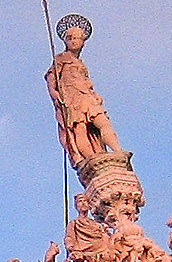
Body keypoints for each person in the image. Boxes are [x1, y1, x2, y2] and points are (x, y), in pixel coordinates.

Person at [46, 14, 122, 165]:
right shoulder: (60, 59)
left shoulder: (80, 64)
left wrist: (95, 95)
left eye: (76, 38)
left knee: (103, 123)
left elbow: (86, 82)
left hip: (86, 97)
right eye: (70, 38)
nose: (73, 41)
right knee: (79, 128)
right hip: (71, 99)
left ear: (83, 42)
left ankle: (118, 152)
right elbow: (51, 79)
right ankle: (92, 160)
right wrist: (55, 95)